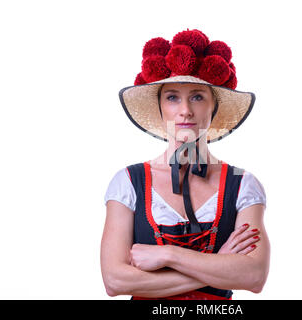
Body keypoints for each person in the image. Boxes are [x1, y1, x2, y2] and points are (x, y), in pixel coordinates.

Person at [101, 29, 269, 300]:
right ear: (160, 107)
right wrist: (220, 264)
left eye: (197, 96)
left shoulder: (243, 184)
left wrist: (169, 254)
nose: (185, 111)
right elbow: (115, 281)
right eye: (172, 97)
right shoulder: (129, 181)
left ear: (213, 106)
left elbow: (254, 276)